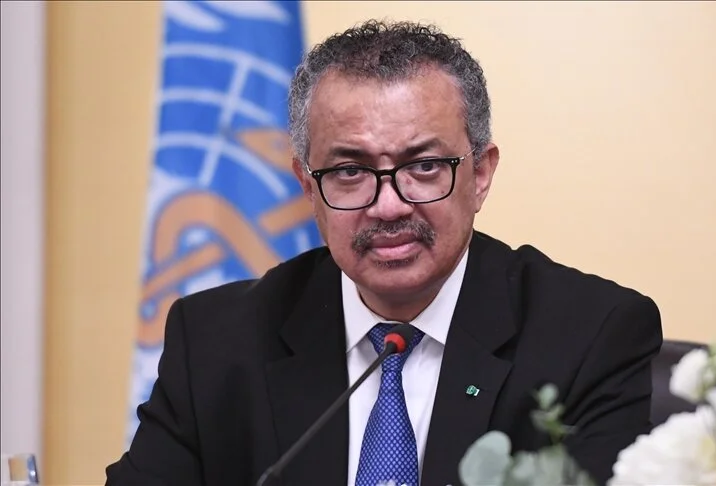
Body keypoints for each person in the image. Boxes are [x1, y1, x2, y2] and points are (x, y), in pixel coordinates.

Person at [106, 19, 662, 486]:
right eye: (350, 171)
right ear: (307, 186)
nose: (389, 206)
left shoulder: (591, 337)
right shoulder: (216, 341)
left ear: (480, 175)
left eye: (424, 166)